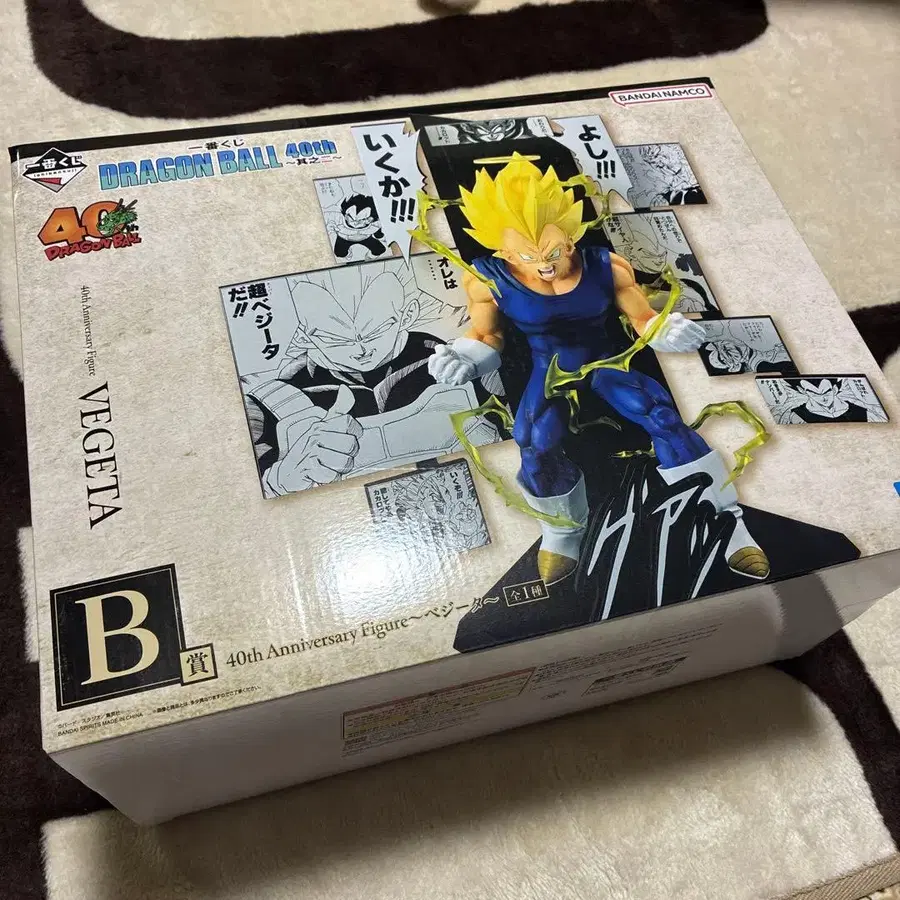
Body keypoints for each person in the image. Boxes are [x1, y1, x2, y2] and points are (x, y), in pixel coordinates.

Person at [428, 154, 769, 584]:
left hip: (605, 359)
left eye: (553, 252)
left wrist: (665, 330)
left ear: (570, 239)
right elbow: (487, 336)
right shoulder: (487, 278)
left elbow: (643, 317)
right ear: (504, 252)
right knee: (532, 440)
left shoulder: (606, 265)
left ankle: (725, 521)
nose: (545, 264)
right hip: (548, 364)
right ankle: (563, 528)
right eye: (528, 256)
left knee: (661, 417)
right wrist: (463, 357)